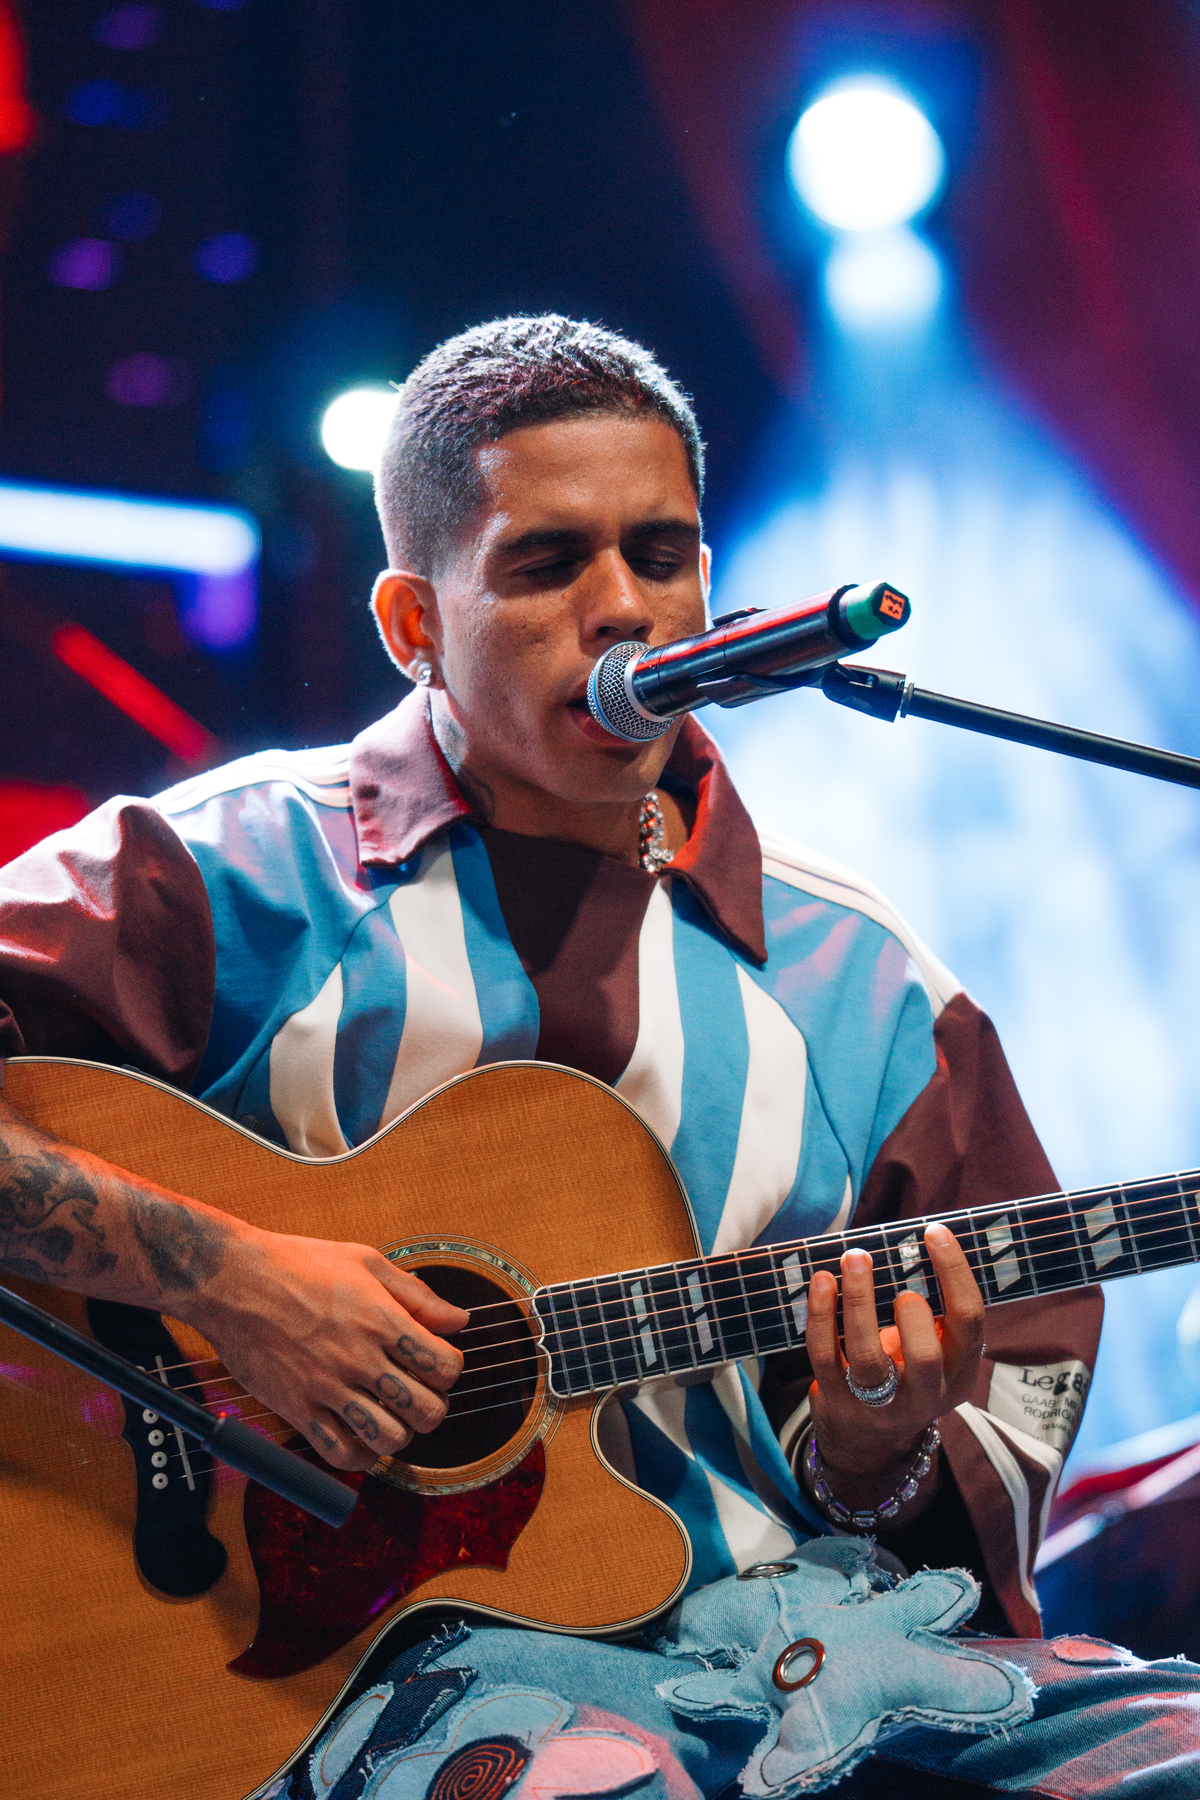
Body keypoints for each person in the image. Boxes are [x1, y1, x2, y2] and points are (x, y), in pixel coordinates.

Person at [0, 315, 1197, 1796]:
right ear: (412, 623)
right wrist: (232, 1280)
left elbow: (970, 1432)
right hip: (372, 1676)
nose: (625, 608)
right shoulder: (225, 874)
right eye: (547, 562)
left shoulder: (869, 984)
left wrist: (872, 1451)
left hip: (814, 1654)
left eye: (662, 554)